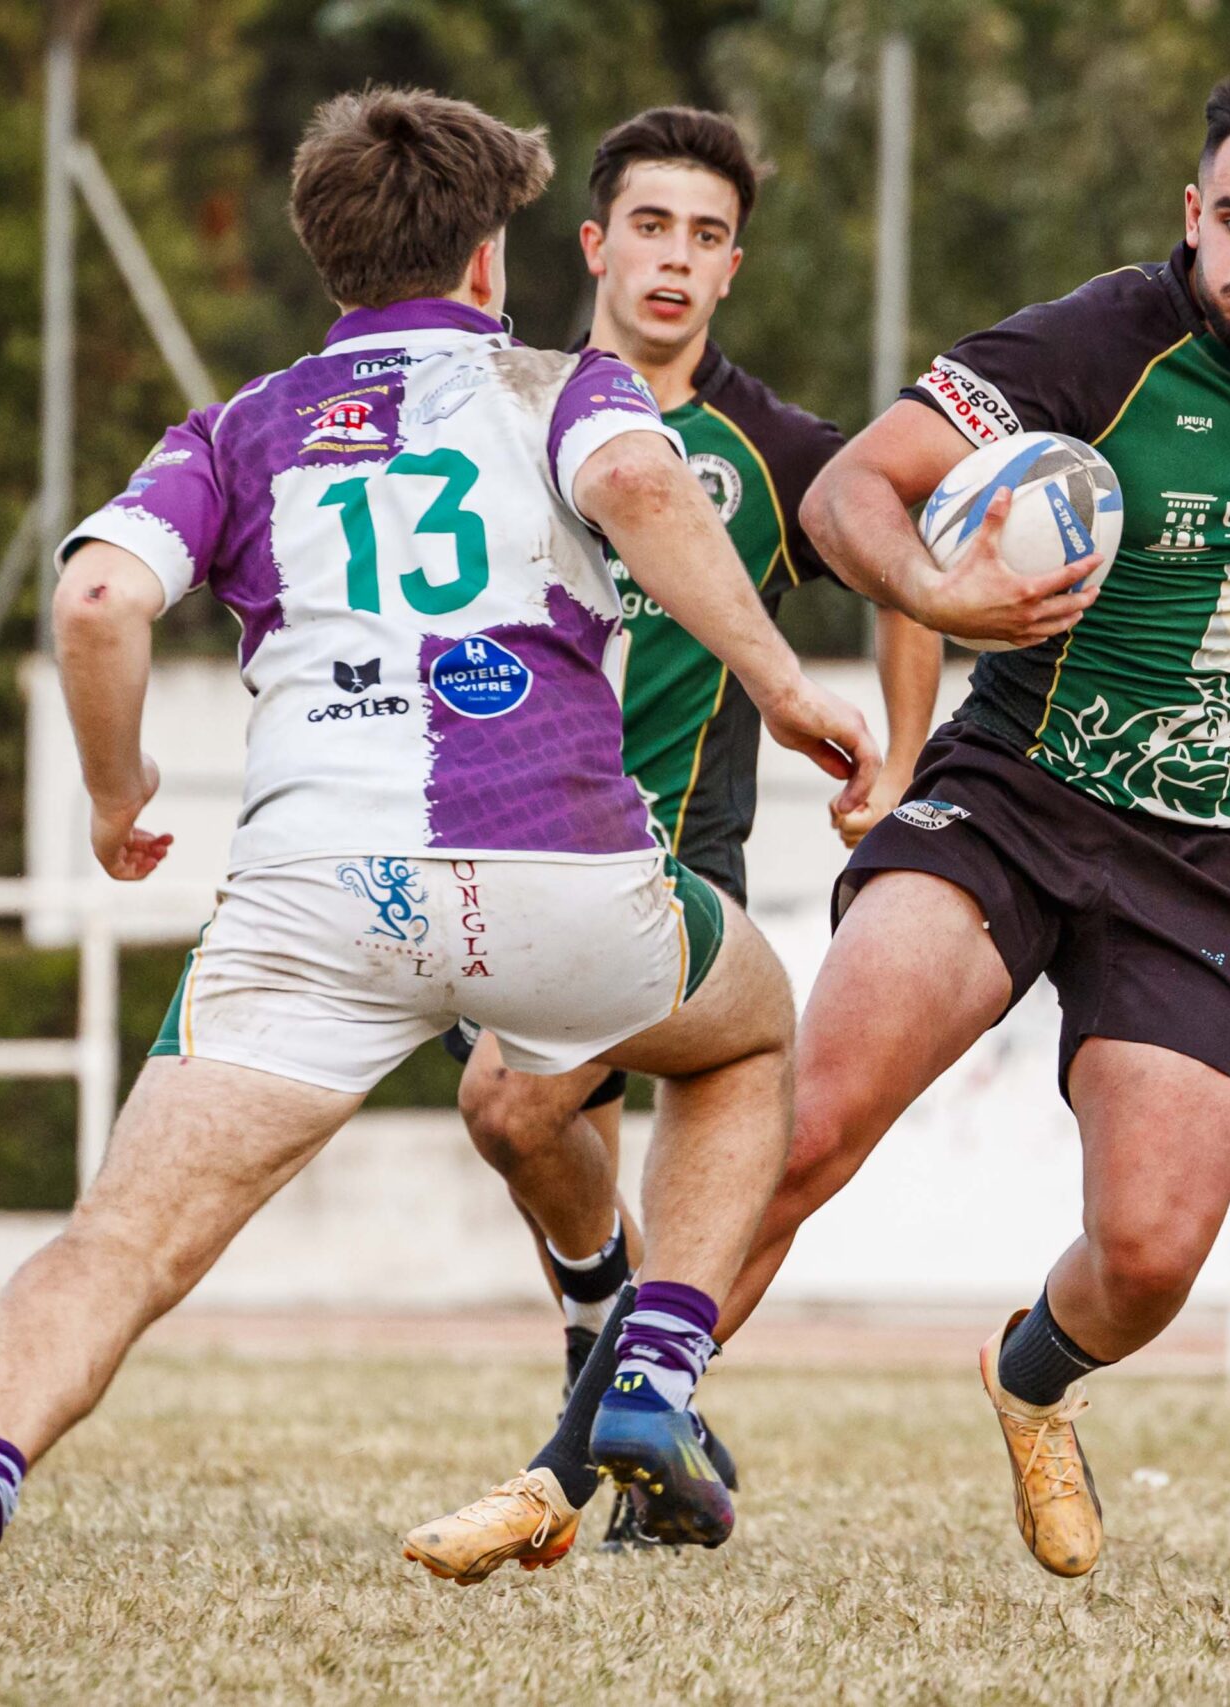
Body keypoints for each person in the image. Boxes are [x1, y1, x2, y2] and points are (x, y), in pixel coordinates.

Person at [410, 72, 1230, 1582]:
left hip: (1205, 857)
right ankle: (572, 1470)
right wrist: (939, 595)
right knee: (805, 1130)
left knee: (1148, 1259)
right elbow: (857, 490)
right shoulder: (1094, 342)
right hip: (1011, 795)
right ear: (1194, 212)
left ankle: (1028, 1381)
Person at [0, 86, 877, 1643]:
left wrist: (120, 799)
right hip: (555, 873)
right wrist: (784, 689)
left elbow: (100, 603)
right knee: (754, 1027)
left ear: (327, 256)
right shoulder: (555, 386)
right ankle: (653, 1367)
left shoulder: (239, 427)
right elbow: (645, 492)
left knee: (118, 1239)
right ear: (495, 254)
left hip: (317, 899)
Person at [417, 107, 942, 1558]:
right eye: (651, 226)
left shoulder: (766, 446)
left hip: (668, 872)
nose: (675, 258)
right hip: (505, 856)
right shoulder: (499, 404)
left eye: (707, 238)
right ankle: (640, 1381)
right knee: (533, 1130)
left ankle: (611, 1362)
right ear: (593, 245)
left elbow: (894, 555)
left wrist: (898, 754)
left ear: (730, 272)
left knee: (508, 1105)